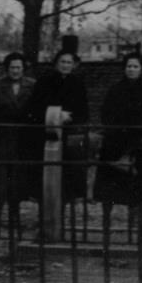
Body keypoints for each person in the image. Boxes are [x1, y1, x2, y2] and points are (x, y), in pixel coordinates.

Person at [92, 53, 142, 212]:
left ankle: (137, 212)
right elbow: (106, 114)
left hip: (139, 140)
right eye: (129, 66)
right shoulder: (115, 90)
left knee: (139, 183)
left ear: (141, 69)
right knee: (112, 183)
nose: (131, 69)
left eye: (135, 66)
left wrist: (137, 131)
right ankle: (108, 214)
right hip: (117, 141)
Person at [25, 49, 90, 202]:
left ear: (73, 65)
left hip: (68, 131)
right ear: (56, 63)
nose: (65, 65)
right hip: (47, 131)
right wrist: (55, 114)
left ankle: (69, 198)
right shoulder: (44, 82)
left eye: (69, 62)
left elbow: (83, 110)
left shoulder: (78, 84)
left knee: (68, 169)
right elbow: (35, 106)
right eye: (62, 62)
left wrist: (69, 117)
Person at [0, 52, 36, 224]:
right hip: (2, 139)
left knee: (18, 178)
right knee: (1, 177)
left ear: (23, 69)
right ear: (7, 68)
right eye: (12, 67)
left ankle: (15, 216)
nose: (15, 71)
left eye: (18, 67)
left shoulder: (32, 85)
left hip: (22, 139)